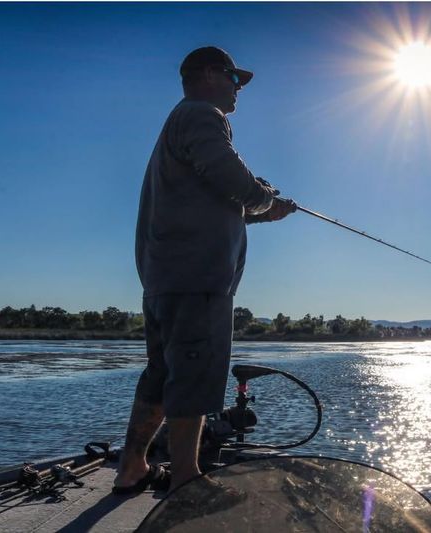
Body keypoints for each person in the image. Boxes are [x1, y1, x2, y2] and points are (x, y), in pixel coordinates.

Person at [113, 46, 296, 494]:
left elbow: (212, 200)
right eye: (235, 80)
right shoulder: (201, 115)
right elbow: (232, 179)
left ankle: (132, 466)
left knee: (161, 374)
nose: (239, 90)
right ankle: (187, 480)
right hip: (197, 281)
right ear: (211, 74)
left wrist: (261, 211)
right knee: (193, 376)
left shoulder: (180, 123)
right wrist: (266, 198)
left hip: (166, 279)